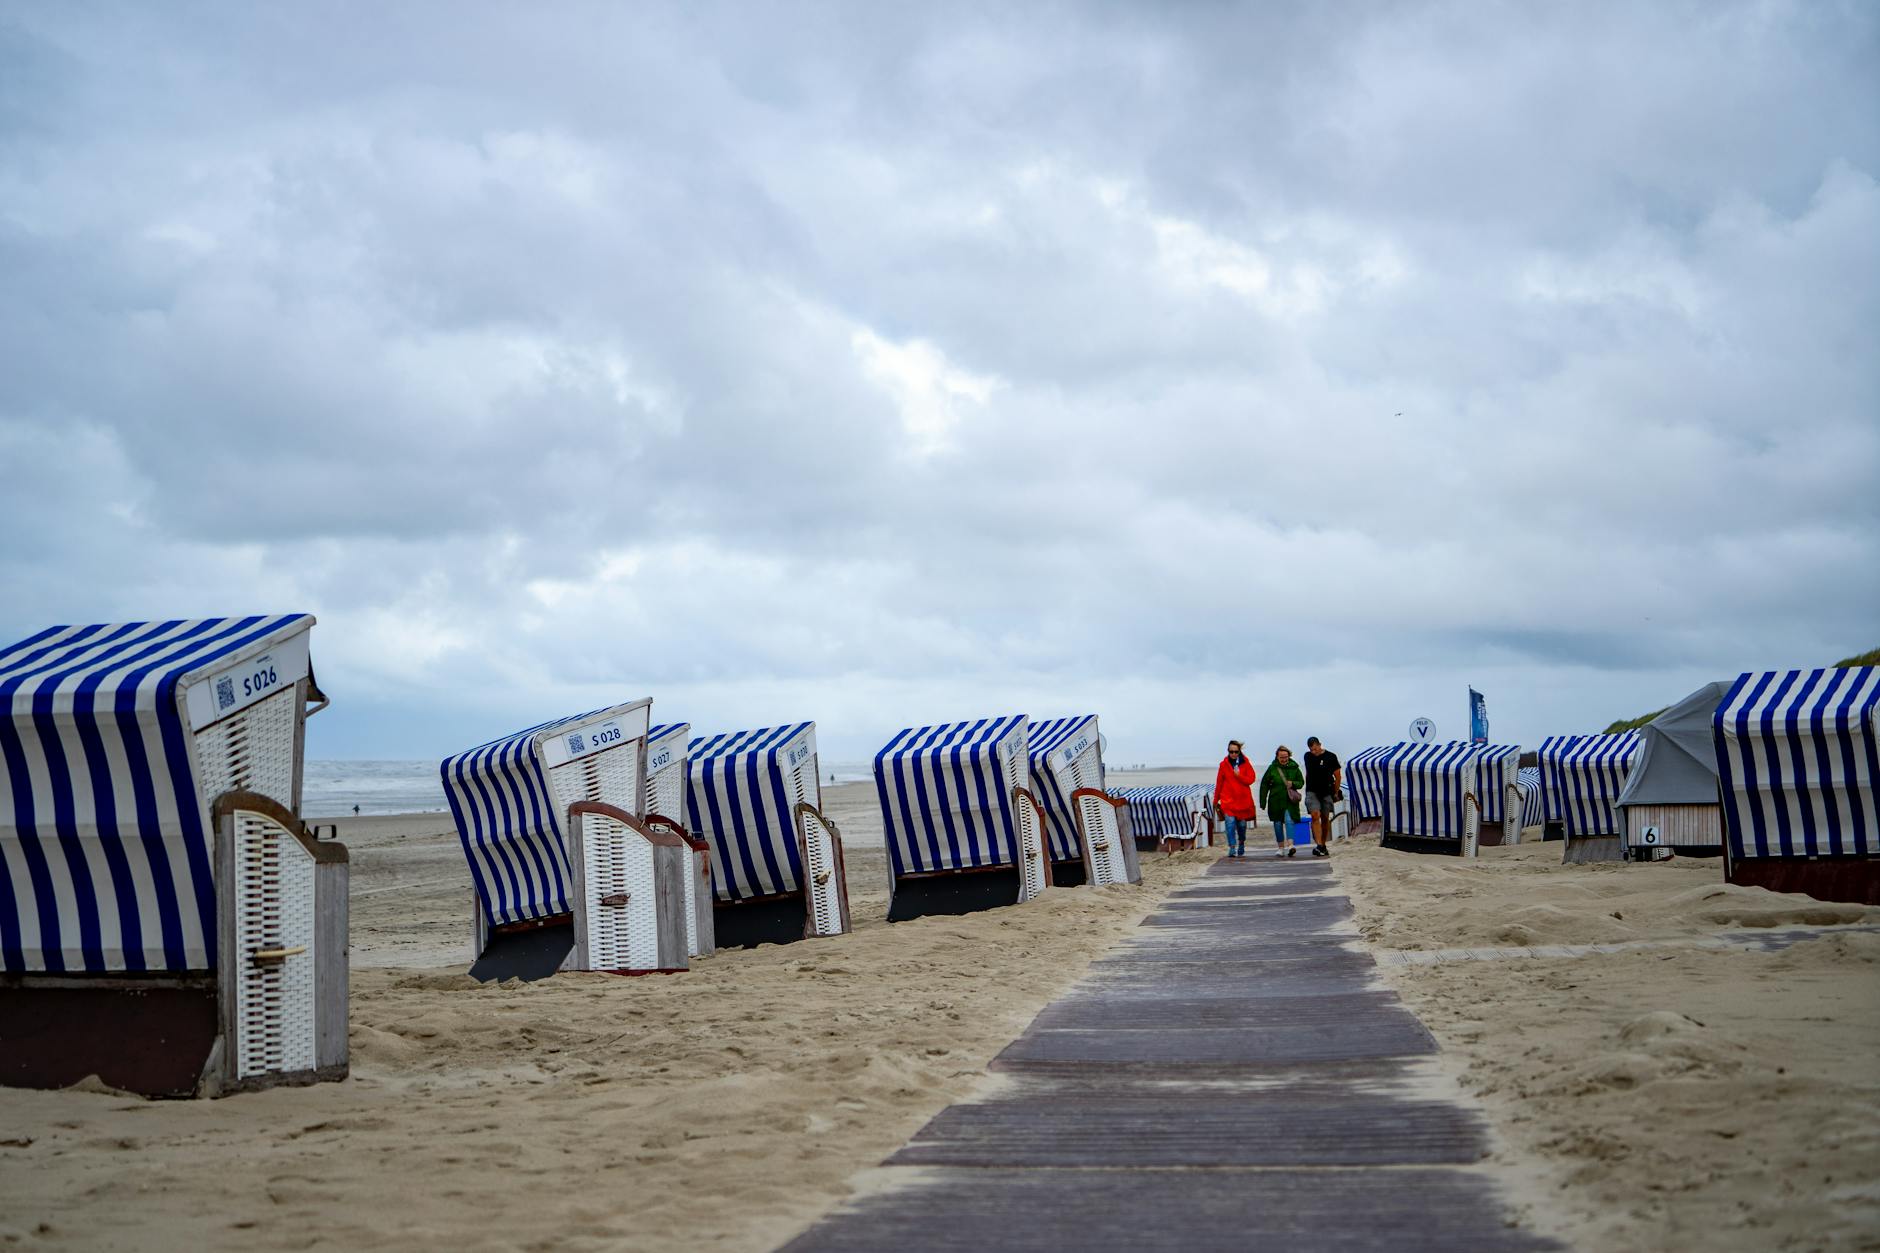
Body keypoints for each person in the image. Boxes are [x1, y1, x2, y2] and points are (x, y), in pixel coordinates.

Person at [1213, 740, 1258, 858]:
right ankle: (1232, 847)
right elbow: (1219, 782)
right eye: (1231, 751)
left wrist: (1239, 776)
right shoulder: (1223, 765)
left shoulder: (1245, 763)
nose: (1233, 754)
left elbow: (1251, 779)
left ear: (1239, 751)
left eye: (1235, 752)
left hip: (1242, 801)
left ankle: (1241, 842)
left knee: (1242, 826)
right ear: (1228, 751)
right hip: (1228, 800)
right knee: (1230, 823)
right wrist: (1215, 800)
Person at [1260, 745, 1305, 857]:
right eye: (1281, 757)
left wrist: (1293, 783)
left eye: (1286, 757)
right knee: (1278, 823)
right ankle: (1280, 848)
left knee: (1289, 820)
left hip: (1289, 801)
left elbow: (1301, 782)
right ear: (1277, 757)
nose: (1284, 759)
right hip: (1275, 801)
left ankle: (1290, 845)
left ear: (1289, 756)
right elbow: (1264, 784)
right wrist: (1262, 801)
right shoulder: (1272, 768)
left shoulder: (1295, 768)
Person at [1302, 736, 1342, 858]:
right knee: (1315, 815)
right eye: (1311, 749)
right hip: (1312, 791)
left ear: (1320, 745)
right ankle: (1319, 844)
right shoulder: (1307, 756)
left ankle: (1323, 844)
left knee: (1325, 819)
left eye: (1315, 748)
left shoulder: (1331, 756)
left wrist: (1335, 793)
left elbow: (1338, 776)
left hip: (1327, 791)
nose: (1314, 752)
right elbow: (1308, 773)